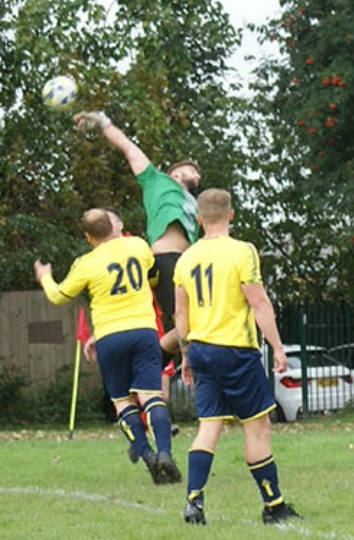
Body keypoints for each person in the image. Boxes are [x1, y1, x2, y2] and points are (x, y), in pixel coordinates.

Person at [173, 188, 300, 525]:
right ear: (230, 215)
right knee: (256, 428)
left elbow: (180, 314)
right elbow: (258, 302)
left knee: (208, 426)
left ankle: (194, 501)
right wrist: (277, 346)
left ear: (199, 220)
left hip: (200, 349)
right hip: (236, 351)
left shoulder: (186, 258)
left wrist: (186, 355)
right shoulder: (243, 252)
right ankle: (274, 506)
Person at [34, 208, 181, 485]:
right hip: (144, 331)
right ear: (114, 227)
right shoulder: (138, 245)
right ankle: (165, 453)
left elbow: (58, 296)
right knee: (151, 396)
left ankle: (148, 457)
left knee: (122, 402)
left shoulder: (85, 264)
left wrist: (44, 276)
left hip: (110, 336)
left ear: (89, 237)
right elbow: (152, 278)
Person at [74, 112, 195, 445]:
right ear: (174, 173)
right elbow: (129, 148)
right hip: (168, 262)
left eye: (197, 171)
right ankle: (153, 366)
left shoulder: (192, 203)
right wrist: (103, 122)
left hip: (189, 265)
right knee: (187, 325)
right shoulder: (157, 180)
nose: (195, 172)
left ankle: (149, 366)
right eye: (189, 168)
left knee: (195, 327)